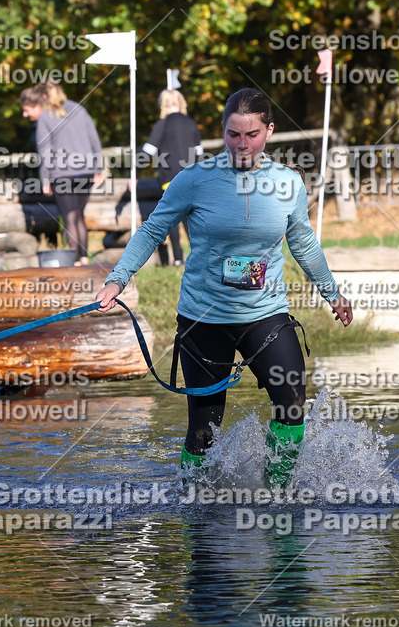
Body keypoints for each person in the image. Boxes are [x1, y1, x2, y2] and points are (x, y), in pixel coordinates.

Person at [95, 88, 354, 488]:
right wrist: (118, 278)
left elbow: (302, 242)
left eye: (251, 134)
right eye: (233, 134)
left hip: (265, 314)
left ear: (269, 130)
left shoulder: (288, 184)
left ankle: (277, 493)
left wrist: (332, 293)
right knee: (204, 429)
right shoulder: (195, 180)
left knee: (291, 402)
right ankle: (194, 504)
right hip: (204, 317)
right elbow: (152, 231)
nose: (242, 144)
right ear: (223, 131)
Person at [20, 81, 105, 264]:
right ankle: (83, 258)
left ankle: (73, 260)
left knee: (69, 217)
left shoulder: (45, 116)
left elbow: (45, 150)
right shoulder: (79, 109)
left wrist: (45, 179)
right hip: (86, 171)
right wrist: (98, 168)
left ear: (44, 96)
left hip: (62, 173)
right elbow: (94, 140)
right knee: (78, 215)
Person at [142, 88, 202, 266]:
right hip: (192, 177)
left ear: (163, 104)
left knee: (174, 217)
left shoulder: (163, 124)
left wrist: (134, 172)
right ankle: (198, 256)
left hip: (170, 178)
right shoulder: (191, 123)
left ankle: (177, 258)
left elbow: (148, 150)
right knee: (190, 218)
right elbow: (199, 152)